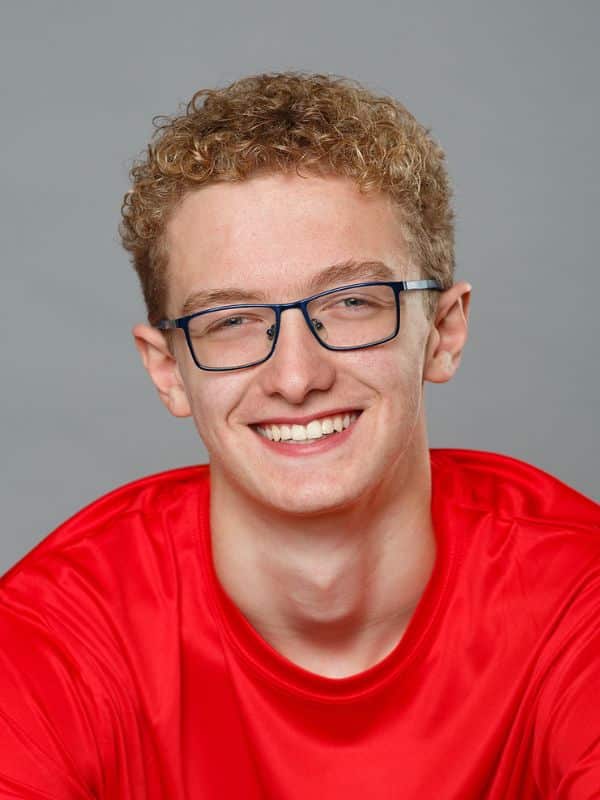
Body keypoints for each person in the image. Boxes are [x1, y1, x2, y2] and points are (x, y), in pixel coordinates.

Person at [1, 71, 598, 799]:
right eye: (230, 320)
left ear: (443, 331)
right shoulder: (51, 637)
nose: (295, 376)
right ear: (167, 371)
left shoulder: (577, 597)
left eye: (352, 303)